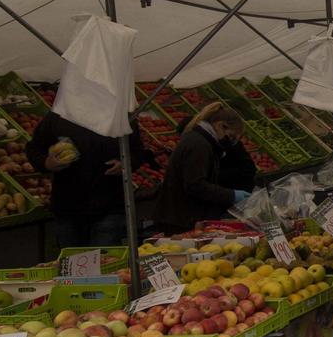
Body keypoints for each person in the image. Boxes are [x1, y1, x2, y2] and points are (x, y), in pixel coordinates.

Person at [28, 109, 147, 248]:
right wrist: (46, 163)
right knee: (73, 262)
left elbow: (138, 151)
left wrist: (126, 163)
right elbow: (34, 148)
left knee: (104, 263)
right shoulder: (59, 115)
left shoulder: (119, 115)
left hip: (109, 206)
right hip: (68, 207)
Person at [150, 103, 247, 233]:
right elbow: (195, 185)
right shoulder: (199, 145)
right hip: (181, 219)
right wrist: (231, 195)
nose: (230, 142)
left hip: (181, 216)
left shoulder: (200, 140)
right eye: (230, 137)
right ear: (220, 126)